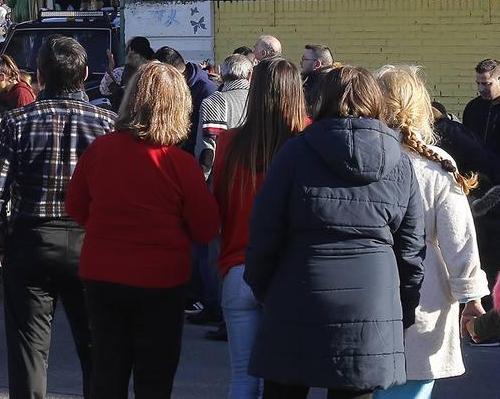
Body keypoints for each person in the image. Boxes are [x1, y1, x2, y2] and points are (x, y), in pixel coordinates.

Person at [245, 67, 425, 399]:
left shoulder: (295, 153)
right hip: (371, 303)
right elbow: (411, 250)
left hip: (297, 292)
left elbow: (264, 232)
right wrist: (404, 308)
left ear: (322, 100)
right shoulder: (401, 164)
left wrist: (263, 288)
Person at [65, 61, 220, 399]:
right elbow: (207, 228)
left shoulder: (100, 150)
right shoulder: (180, 164)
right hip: (161, 281)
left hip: (103, 274)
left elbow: (75, 207)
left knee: (107, 374)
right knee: (155, 379)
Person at [0, 36, 116, 399]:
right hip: (90, 244)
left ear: (39, 75)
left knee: (29, 351)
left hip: (31, 239)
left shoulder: (17, 122)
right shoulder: (108, 124)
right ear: (85, 74)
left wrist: (3, 242)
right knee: (96, 349)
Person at [376, 66, 487, 399]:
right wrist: (471, 297)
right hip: (424, 295)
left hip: (364, 292)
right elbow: (460, 239)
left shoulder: (360, 156)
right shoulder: (436, 163)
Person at [212, 58, 309, 399]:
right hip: (290, 274)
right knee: (285, 380)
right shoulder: (308, 141)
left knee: (242, 378)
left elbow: (218, 207)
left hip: (238, 267)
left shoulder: (229, 144)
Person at [463, 57, 500, 297]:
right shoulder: (473, 108)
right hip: (477, 187)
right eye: (478, 83)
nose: (482, 89)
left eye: (487, 83)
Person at [200, 55, 254, 175]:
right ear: (250, 74)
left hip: (224, 178)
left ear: (222, 74)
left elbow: (207, 151)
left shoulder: (214, 101)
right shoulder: (263, 100)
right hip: (258, 179)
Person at [301, 44, 337, 113]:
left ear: (317, 64)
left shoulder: (318, 86)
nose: (301, 63)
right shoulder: (337, 81)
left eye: (304, 59)